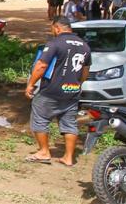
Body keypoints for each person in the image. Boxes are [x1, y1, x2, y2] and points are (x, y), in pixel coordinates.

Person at [25, 16, 91, 166]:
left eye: (52, 29)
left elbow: (41, 65)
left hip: (51, 91)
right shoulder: (84, 46)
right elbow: (85, 71)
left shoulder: (55, 43)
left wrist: (31, 84)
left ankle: (43, 152)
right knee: (69, 123)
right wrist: (77, 84)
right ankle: (68, 158)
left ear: (57, 28)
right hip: (72, 91)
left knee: (40, 118)